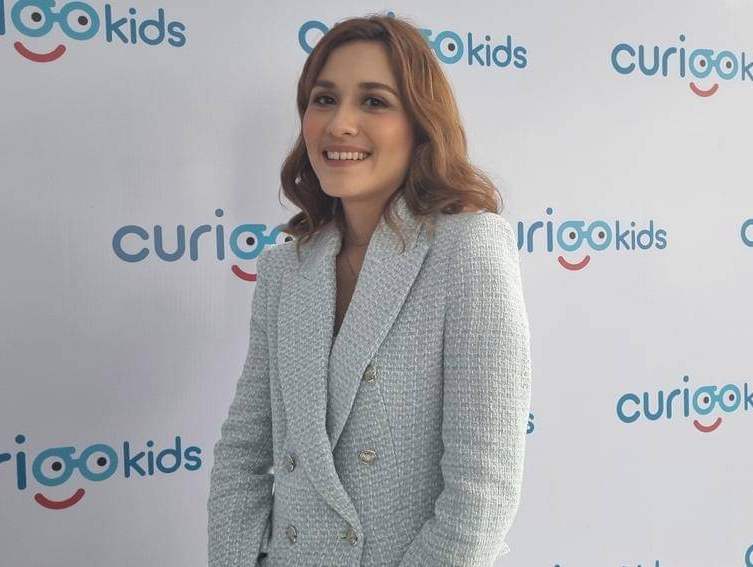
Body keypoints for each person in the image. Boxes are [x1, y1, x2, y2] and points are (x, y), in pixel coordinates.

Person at [208, 14, 531, 567]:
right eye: (324, 100)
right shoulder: (285, 269)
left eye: (374, 102)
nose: (340, 124)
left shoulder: (468, 250)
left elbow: (481, 495)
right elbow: (243, 453)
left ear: (420, 125)